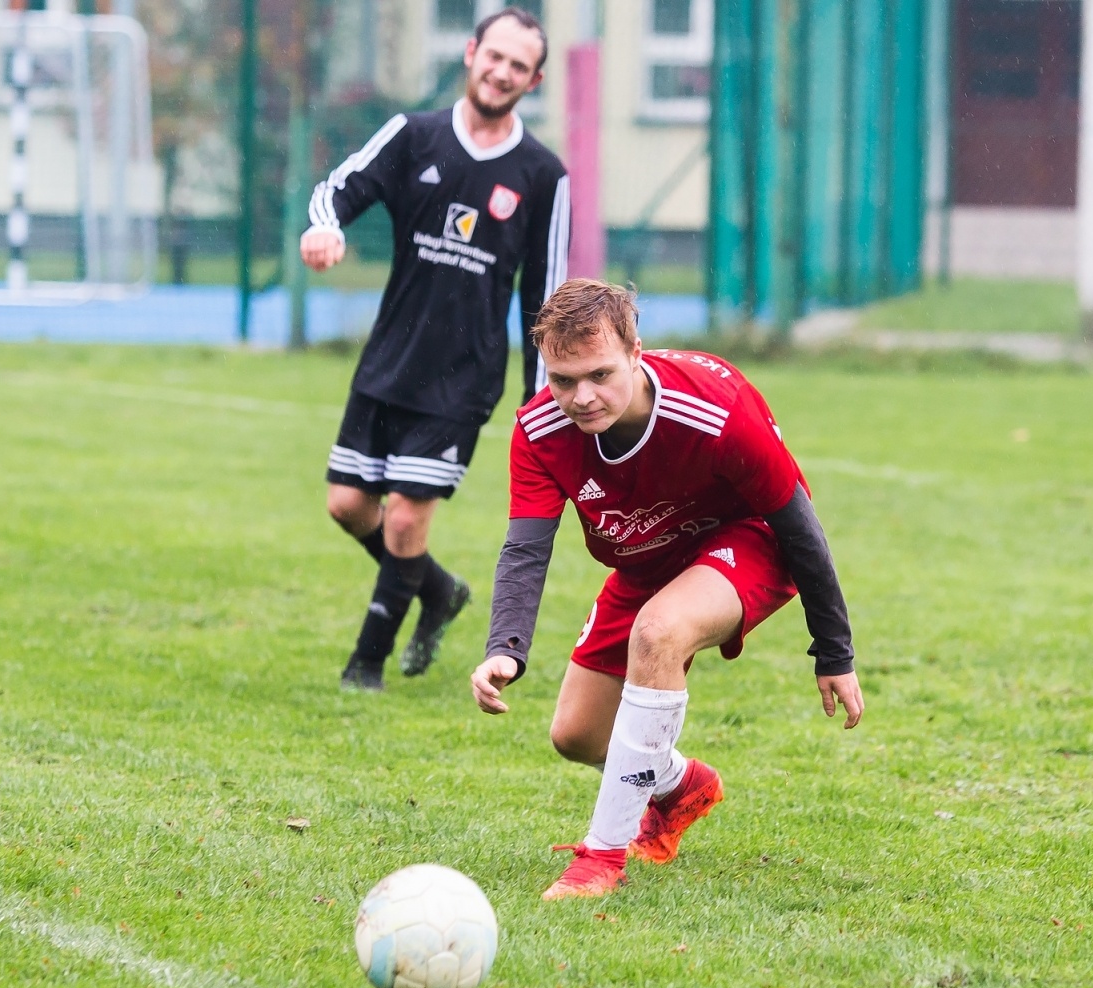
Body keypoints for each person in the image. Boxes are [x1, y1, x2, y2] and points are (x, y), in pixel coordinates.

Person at [469, 279, 865, 900]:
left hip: (749, 539)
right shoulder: (540, 431)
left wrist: (834, 651)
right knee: (575, 735)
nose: (581, 397)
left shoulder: (716, 410)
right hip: (648, 560)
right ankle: (682, 786)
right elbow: (526, 546)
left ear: (636, 353)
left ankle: (602, 860)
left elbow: (799, 525)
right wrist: (506, 647)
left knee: (660, 633)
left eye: (600, 374)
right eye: (563, 379)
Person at [302, 6, 570, 691]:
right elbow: (338, 190)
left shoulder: (543, 175)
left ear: (533, 80)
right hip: (391, 358)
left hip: (465, 378)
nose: (503, 72)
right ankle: (440, 591)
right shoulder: (414, 136)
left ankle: (366, 664)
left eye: (520, 66)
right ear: (472, 53)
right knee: (346, 504)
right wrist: (325, 230)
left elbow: (549, 298)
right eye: (496, 56)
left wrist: (543, 400)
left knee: (405, 514)